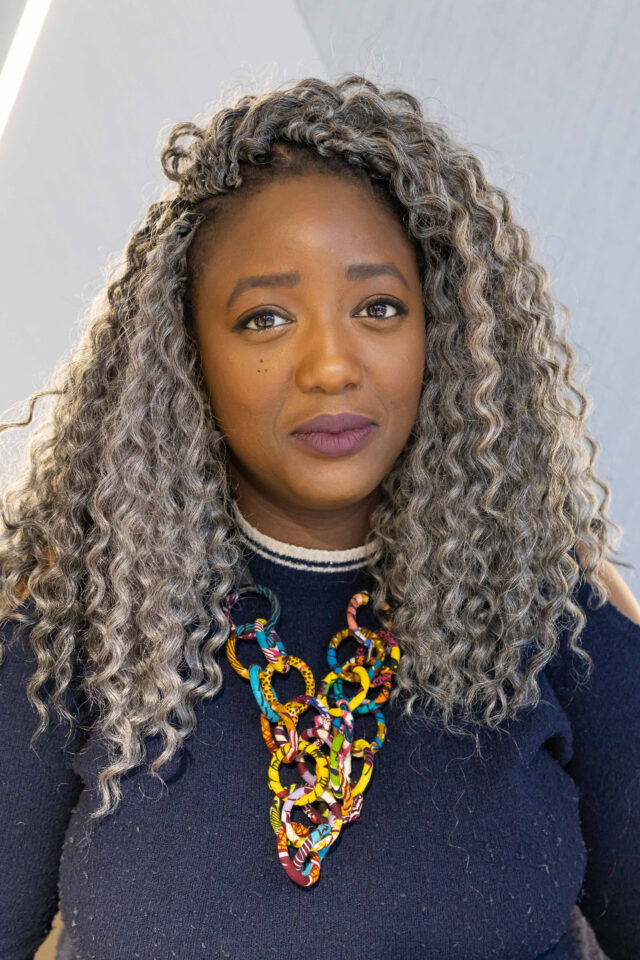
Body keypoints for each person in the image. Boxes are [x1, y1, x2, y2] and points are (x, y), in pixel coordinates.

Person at [0, 72, 638, 960]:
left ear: (444, 333)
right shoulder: (77, 624)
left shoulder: (552, 613)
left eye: (379, 308)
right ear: (186, 353)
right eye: (264, 318)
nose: (331, 365)